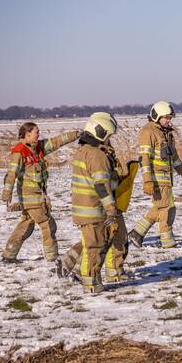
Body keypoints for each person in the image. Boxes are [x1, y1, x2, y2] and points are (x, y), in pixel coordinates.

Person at [1, 122, 79, 264]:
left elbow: (57, 141)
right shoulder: (19, 152)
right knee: (47, 224)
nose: (39, 134)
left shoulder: (38, 147)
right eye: (36, 132)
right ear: (27, 134)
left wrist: (77, 134)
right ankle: (52, 258)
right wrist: (7, 193)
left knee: (25, 226)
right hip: (30, 198)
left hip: (38, 197)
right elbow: (11, 173)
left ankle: (9, 254)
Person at [69, 113, 122, 294]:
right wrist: (111, 208)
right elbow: (101, 186)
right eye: (108, 135)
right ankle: (91, 283)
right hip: (93, 209)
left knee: (92, 244)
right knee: (94, 247)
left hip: (82, 209)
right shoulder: (97, 155)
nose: (109, 140)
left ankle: (85, 277)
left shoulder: (82, 151)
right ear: (100, 132)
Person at [129, 101, 182, 249]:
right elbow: (144, 158)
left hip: (167, 179)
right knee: (167, 208)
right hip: (156, 179)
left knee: (162, 207)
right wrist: (147, 181)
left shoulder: (166, 133)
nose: (169, 121)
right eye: (166, 118)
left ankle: (137, 233)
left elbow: (173, 157)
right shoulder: (148, 131)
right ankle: (167, 242)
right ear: (156, 116)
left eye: (170, 118)